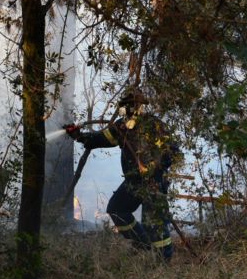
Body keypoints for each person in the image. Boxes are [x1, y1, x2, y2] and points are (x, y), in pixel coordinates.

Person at [65, 89, 177, 261]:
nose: (128, 108)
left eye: (131, 104)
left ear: (140, 106)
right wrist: (78, 135)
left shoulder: (155, 125)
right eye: (125, 104)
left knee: (155, 222)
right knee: (117, 209)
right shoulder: (121, 127)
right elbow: (98, 139)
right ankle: (143, 244)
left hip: (154, 182)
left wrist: (154, 167)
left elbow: (173, 152)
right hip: (133, 182)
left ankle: (164, 261)